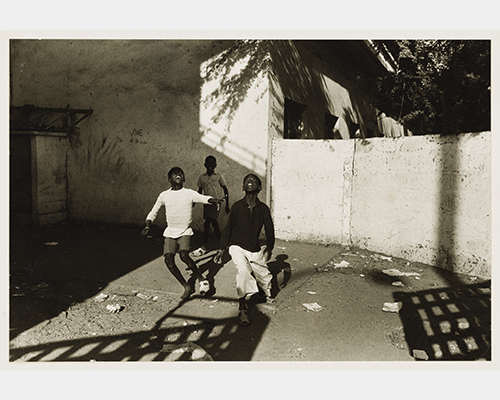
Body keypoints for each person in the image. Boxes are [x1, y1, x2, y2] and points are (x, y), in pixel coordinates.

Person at [141, 167, 223, 301]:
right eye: (174, 174)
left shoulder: (189, 193)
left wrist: (214, 200)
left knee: (184, 255)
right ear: (169, 179)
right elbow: (153, 212)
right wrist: (147, 225)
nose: (178, 175)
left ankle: (200, 277)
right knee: (169, 260)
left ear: (184, 178)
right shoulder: (164, 195)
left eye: (180, 173)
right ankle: (186, 286)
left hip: (184, 231)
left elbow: (203, 198)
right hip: (170, 231)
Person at [214, 173, 275, 326]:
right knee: (244, 271)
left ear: (259, 188)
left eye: (253, 180)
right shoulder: (236, 207)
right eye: (246, 180)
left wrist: (269, 248)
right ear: (243, 187)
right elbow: (228, 229)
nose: (249, 180)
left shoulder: (263, 209)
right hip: (236, 246)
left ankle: (266, 294)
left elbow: (269, 230)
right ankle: (242, 307)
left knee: (265, 277)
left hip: (254, 248)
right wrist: (221, 249)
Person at [191, 155, 230, 257]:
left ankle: (204, 246)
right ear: (205, 165)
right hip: (206, 203)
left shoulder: (218, 176)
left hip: (216, 203)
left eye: (212, 163)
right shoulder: (201, 177)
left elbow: (226, 190)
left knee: (208, 223)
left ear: (215, 165)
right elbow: (199, 191)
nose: (210, 165)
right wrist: (194, 201)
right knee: (213, 223)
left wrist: (227, 204)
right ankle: (221, 243)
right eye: (208, 163)